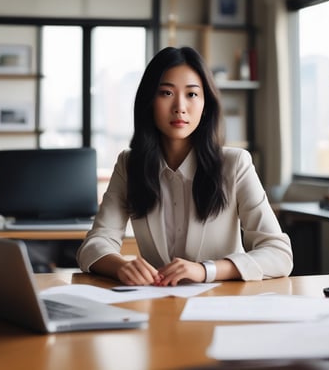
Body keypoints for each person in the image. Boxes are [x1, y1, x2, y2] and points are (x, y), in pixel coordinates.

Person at [77, 46, 293, 286]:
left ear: (205, 105)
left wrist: (206, 270)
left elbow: (279, 254)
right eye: (166, 93)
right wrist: (122, 266)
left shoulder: (235, 164)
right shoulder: (129, 165)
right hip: (159, 306)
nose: (180, 106)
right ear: (149, 101)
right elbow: (94, 245)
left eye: (191, 94)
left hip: (224, 306)